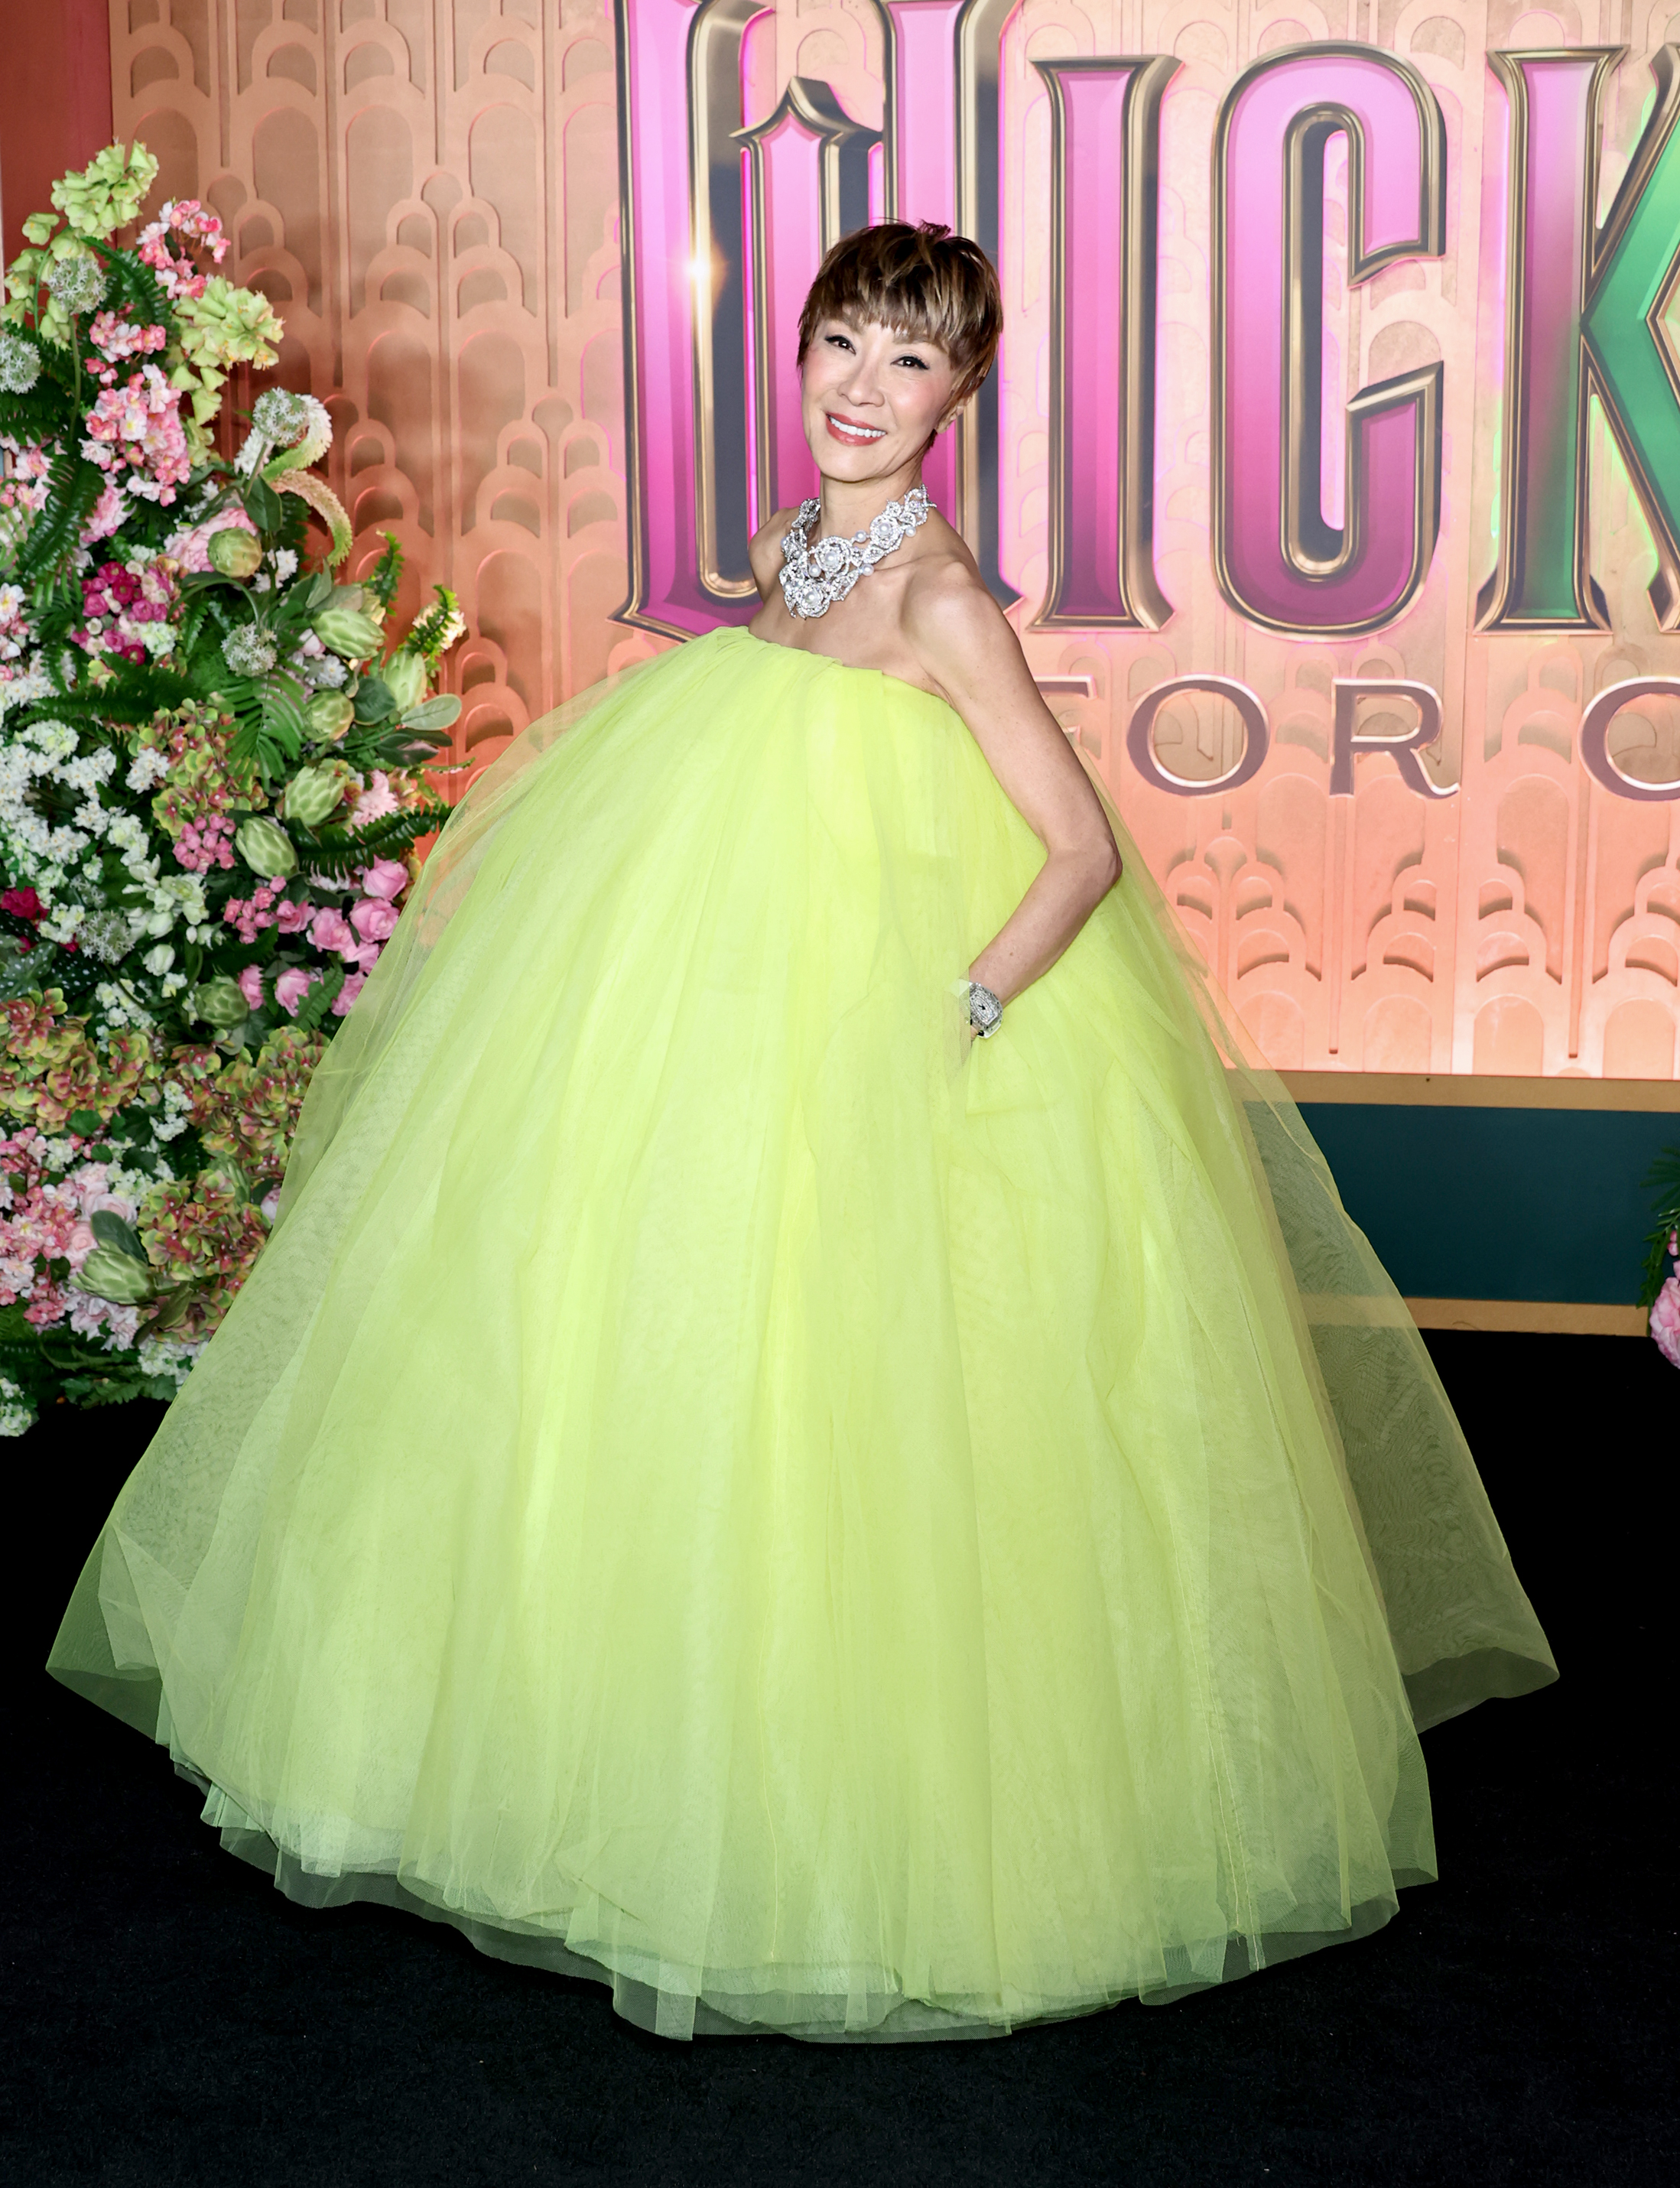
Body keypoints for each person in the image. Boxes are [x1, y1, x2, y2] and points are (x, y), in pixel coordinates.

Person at [48, 223, 1555, 2043]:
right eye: (842, 340)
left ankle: (845, 1827)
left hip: (883, 1051)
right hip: (739, 1023)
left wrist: (958, 1012)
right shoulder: (789, 552)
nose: (861, 384)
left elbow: (1077, 850)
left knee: (867, 1424)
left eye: (907, 359)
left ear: (960, 394)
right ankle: (601, 1746)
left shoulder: (940, 602)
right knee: (655, 1356)